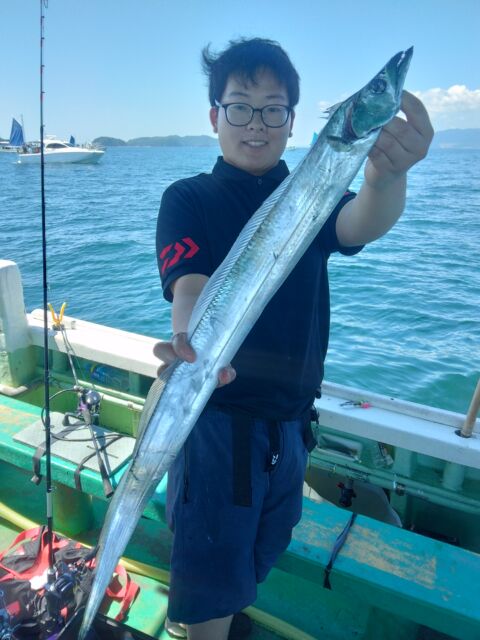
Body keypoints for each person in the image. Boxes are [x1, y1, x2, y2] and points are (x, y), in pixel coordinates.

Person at [154, 37, 433, 640]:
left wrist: (388, 175)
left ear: (292, 120)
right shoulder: (188, 199)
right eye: (240, 106)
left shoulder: (311, 194)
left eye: (273, 109)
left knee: (261, 554)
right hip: (218, 429)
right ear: (214, 116)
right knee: (210, 592)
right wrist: (188, 340)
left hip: (291, 428)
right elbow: (191, 288)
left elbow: (363, 220)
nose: (256, 124)